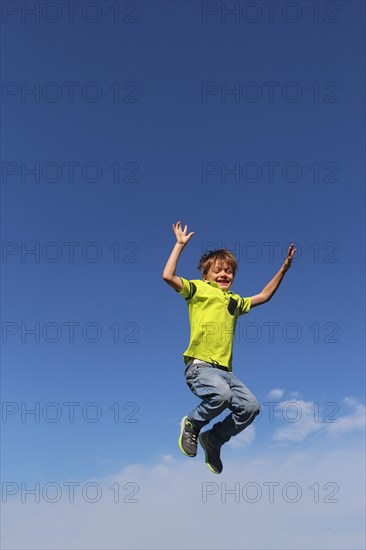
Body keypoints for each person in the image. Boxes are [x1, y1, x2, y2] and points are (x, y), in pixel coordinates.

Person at [162, 221, 296, 474]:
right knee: (221, 396)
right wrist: (179, 245)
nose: (224, 275)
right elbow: (168, 276)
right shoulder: (198, 289)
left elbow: (264, 296)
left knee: (250, 407)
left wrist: (284, 269)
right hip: (200, 367)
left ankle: (213, 440)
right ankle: (192, 423)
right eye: (218, 271)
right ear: (206, 276)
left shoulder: (234, 300)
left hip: (226, 372)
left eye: (229, 272)